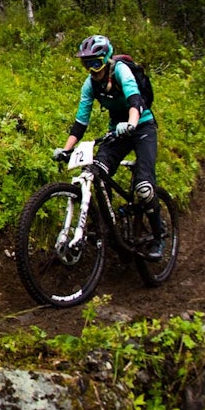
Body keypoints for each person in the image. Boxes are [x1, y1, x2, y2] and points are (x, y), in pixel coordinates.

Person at [53, 34, 164, 259]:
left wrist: (132, 123)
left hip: (142, 128)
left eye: (96, 62)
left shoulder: (121, 70)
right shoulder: (90, 85)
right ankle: (110, 224)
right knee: (97, 171)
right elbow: (80, 121)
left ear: (106, 58)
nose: (92, 69)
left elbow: (135, 99)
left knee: (144, 188)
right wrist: (66, 149)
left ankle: (159, 236)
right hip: (117, 132)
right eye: (87, 63)